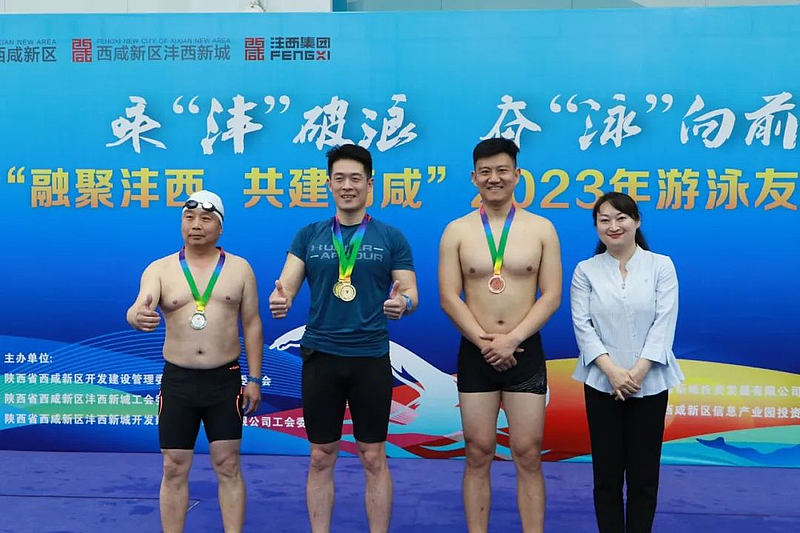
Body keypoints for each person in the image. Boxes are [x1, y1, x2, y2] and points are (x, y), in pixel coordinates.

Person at [268, 144, 418, 533]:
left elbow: (411, 293)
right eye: (339, 179)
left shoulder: (391, 238)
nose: (347, 186)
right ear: (329, 184)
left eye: (355, 178)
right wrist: (281, 300)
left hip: (370, 358)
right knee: (321, 455)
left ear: (370, 184)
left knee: (373, 455)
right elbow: (286, 285)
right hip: (321, 358)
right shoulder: (309, 235)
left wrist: (402, 303)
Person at [438, 138, 562, 533]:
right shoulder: (456, 231)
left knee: (528, 453)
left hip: (525, 350)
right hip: (476, 352)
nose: (494, 178)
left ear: (517, 175)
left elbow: (552, 295)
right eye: (486, 172)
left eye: (502, 170)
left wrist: (513, 339)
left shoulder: (542, 229)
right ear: (473, 177)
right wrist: (484, 341)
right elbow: (448, 296)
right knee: (478, 452)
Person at [126, 190, 263, 533]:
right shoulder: (160, 269)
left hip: (224, 380)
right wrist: (136, 316)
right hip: (179, 381)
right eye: (189, 218)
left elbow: (252, 324)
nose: (196, 225)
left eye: (205, 219)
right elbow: (140, 304)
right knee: (173, 466)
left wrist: (255, 379)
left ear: (220, 227)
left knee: (227, 464)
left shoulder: (240, 269)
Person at [570, 191, 684, 533]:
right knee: (606, 476)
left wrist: (637, 372)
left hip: (650, 383)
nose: (613, 226)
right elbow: (583, 326)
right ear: (596, 226)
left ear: (637, 221)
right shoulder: (586, 271)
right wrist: (612, 372)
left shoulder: (661, 265)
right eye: (604, 220)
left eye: (621, 218)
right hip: (601, 383)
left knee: (643, 476)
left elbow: (664, 323)